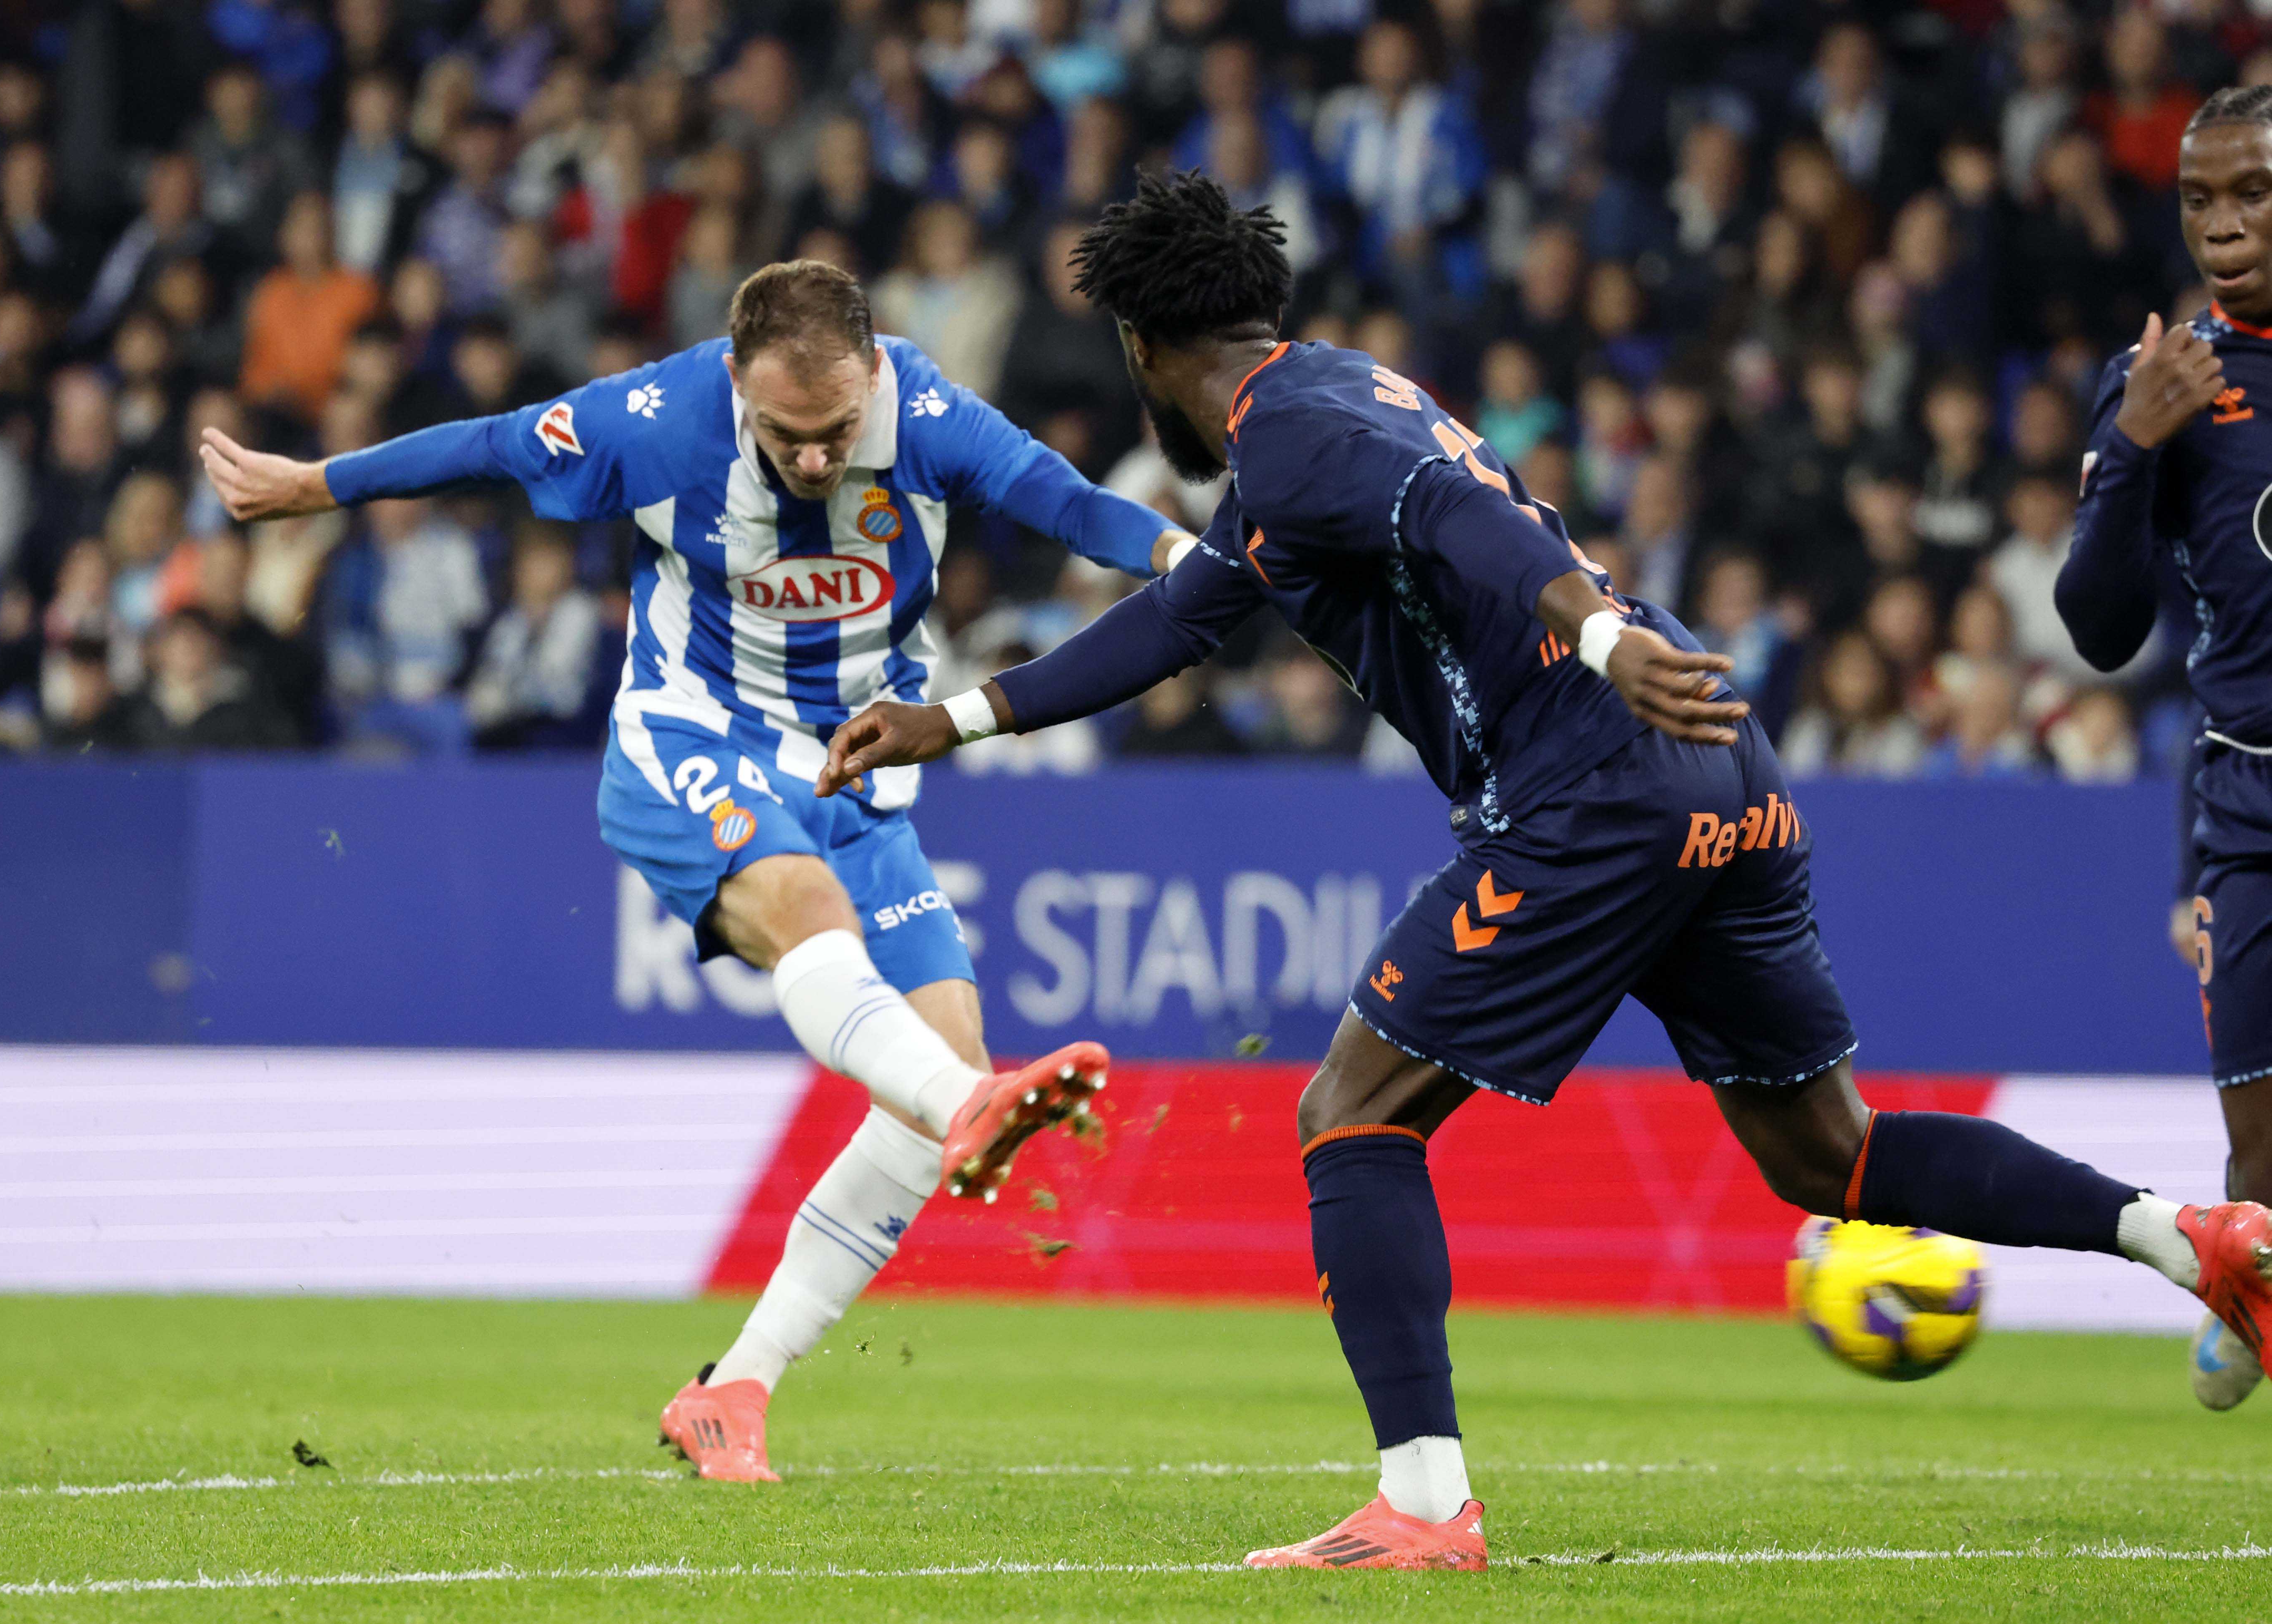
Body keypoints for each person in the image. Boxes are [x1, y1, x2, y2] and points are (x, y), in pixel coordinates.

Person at [816, 172, 2272, 1571]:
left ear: (1140, 348)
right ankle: (2186, 1237)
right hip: (1715, 770)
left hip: (1594, 778)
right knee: (1825, 1152)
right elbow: (1179, 616)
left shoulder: (1299, 438)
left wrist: (1594, 632)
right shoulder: (1327, 402)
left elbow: (1470, 522)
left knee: (1351, 1112)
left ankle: (1420, 1504)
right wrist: (953, 718)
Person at [198, 258, 1197, 1482]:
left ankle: (734, 1389)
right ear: (735, 384)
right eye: (785, 433)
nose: (816, 459)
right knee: (840, 949)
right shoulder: (661, 420)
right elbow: (495, 446)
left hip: (859, 772)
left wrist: (1187, 556)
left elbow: (1067, 502)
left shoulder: (927, 411)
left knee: (937, 1063)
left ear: (872, 375)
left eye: (837, 431)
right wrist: (317, 484)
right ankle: (965, 1109)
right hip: (695, 735)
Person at [2057, 85, 2272, 1413]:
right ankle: (2248, 1277)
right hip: (2251, 804)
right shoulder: (2166, 382)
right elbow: (2097, 628)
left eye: (2252, 193)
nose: (2223, 226)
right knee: (2261, 1176)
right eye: (2199, 200)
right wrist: (2135, 440)